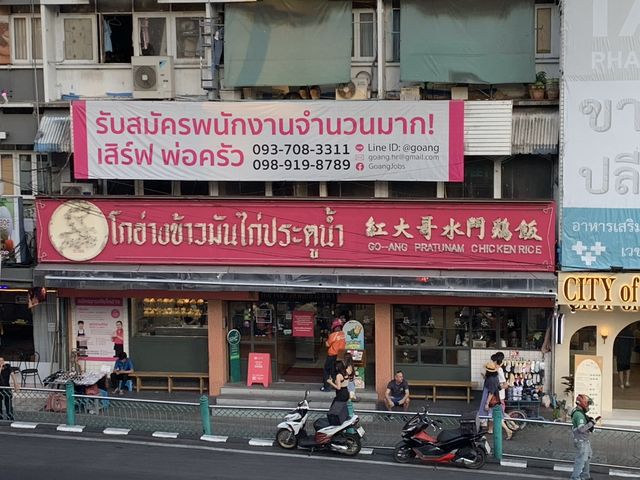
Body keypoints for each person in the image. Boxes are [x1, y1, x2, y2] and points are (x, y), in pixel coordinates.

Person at [478, 361, 512, 439]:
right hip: (496, 399)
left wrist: (487, 403)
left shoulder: (490, 379)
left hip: (491, 400)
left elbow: (491, 392)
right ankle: (503, 430)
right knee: (495, 416)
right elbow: (497, 388)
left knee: (494, 416)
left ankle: (508, 430)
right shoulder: (495, 378)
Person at [570, 394, 600, 480]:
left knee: (587, 457)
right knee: (581, 460)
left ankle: (585, 476)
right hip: (581, 441)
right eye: (587, 404)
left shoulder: (579, 412)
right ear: (582, 403)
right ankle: (575, 477)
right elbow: (581, 429)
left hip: (584, 440)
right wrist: (592, 423)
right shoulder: (579, 415)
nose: (588, 406)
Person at [491, 352, 518, 435]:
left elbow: (504, 384)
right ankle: (513, 425)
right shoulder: (497, 369)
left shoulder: (499, 370)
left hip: (498, 396)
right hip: (498, 395)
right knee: (501, 413)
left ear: (496, 361)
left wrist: (498, 387)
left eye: (493, 361)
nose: (492, 362)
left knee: (498, 414)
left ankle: (508, 430)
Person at [321, 318, 346, 392]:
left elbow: (327, 344)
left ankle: (327, 387)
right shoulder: (343, 334)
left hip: (332, 355)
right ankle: (337, 385)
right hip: (340, 355)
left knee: (326, 370)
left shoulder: (333, 335)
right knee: (336, 370)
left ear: (334, 327)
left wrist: (327, 338)